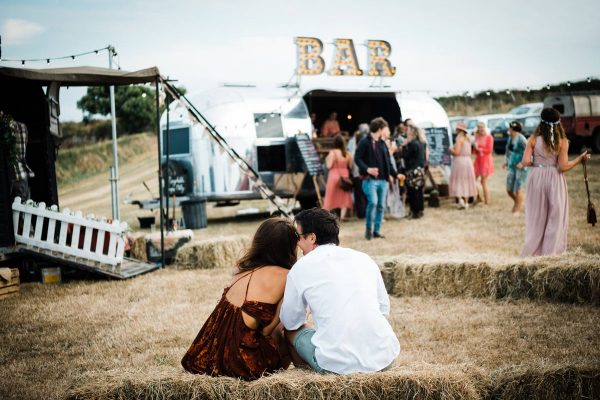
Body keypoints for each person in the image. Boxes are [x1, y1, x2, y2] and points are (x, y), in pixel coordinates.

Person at [280, 208, 400, 374]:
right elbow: (383, 309)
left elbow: (290, 321)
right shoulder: (364, 258)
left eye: (298, 237)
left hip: (335, 366)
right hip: (384, 358)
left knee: (291, 332)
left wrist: (307, 313)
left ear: (312, 237)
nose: (297, 244)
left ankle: (308, 376)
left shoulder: (300, 268)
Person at [181, 217, 299, 380]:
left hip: (213, 355)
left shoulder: (242, 270)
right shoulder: (287, 276)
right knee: (290, 332)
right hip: (243, 363)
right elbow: (268, 330)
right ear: (290, 247)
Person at [517, 108, 590, 257]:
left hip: (536, 177)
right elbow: (563, 167)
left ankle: (530, 254)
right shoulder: (563, 141)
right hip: (555, 179)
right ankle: (549, 255)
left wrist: (538, 164)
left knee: (536, 217)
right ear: (559, 122)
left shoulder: (533, 139)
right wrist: (579, 159)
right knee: (555, 217)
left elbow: (525, 161)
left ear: (541, 121)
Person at [354, 117, 402, 240]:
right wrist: (367, 169)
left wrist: (396, 175)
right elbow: (357, 158)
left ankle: (376, 231)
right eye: (386, 129)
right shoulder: (364, 142)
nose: (388, 131)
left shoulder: (382, 144)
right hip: (369, 180)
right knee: (373, 202)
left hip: (383, 181)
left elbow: (388, 163)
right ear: (380, 129)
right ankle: (368, 230)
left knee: (381, 206)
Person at [323, 134, 353, 221]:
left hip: (334, 176)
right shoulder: (347, 154)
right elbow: (350, 166)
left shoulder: (333, 153)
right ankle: (342, 216)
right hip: (344, 176)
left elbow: (329, 166)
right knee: (344, 197)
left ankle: (325, 216)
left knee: (330, 196)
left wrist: (326, 159)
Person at [449, 122, 477, 209]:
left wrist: (450, 150)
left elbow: (456, 152)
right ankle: (466, 202)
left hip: (460, 161)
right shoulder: (467, 138)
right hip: (467, 161)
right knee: (466, 180)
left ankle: (461, 199)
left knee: (459, 180)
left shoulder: (459, 139)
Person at [503, 121, 528, 214]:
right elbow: (507, 151)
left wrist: (523, 163)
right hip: (512, 166)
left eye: (510, 128)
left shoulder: (522, 139)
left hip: (521, 167)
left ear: (513, 129)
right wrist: (506, 161)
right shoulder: (510, 138)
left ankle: (517, 209)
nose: (508, 129)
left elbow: (529, 152)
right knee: (509, 189)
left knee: (517, 188)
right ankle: (518, 203)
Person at [403, 126, 427, 218]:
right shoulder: (422, 143)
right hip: (420, 169)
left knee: (413, 191)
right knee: (419, 190)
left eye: (408, 131)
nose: (407, 133)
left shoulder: (412, 144)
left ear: (412, 133)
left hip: (412, 170)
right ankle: (420, 210)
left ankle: (414, 212)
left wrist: (404, 146)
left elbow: (405, 156)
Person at [473, 121, 494, 206]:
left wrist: (479, 149)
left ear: (485, 128)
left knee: (483, 181)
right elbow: (475, 151)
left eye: (482, 127)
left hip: (485, 161)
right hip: (478, 160)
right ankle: (478, 197)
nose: (480, 129)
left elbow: (489, 150)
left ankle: (486, 202)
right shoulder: (476, 137)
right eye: (479, 127)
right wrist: (474, 148)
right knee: (472, 179)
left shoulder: (489, 137)